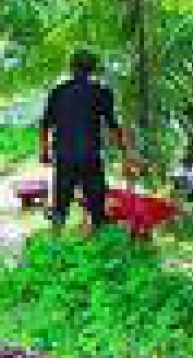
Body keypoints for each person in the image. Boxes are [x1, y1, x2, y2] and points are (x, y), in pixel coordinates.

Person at [40, 49, 133, 231]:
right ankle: (99, 239)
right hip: (90, 156)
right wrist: (126, 155)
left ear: (71, 68)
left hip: (65, 156)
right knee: (97, 208)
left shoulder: (58, 92)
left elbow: (45, 124)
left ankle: (55, 243)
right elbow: (113, 125)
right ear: (93, 69)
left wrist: (44, 151)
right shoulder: (101, 92)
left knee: (60, 207)